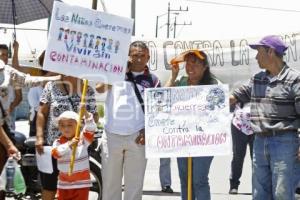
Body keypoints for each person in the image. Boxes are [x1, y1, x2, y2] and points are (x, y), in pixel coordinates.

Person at [230, 35, 300, 199]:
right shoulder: (257, 79)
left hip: (285, 142)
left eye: (259, 52)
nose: (255, 57)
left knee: (282, 193)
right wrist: (203, 104)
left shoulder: (295, 79)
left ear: (270, 52)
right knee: (259, 193)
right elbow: (234, 97)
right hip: (259, 142)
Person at [96, 41, 160, 200]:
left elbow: (158, 108)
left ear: (148, 58)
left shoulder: (153, 80)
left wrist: (147, 130)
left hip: (138, 137)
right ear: (128, 56)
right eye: (135, 55)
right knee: (110, 186)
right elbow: (99, 88)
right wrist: (119, 70)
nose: (139, 59)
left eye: (142, 56)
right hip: (111, 136)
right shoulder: (115, 73)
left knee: (134, 187)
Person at [166, 49, 218, 200]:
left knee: (199, 180)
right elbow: (162, 98)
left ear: (205, 67)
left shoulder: (213, 84)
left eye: (195, 63)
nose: (190, 67)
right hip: (182, 139)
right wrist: (173, 75)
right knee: (185, 180)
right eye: (187, 63)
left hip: (204, 140)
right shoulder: (181, 82)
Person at [36, 74, 98, 200]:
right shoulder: (51, 86)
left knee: (76, 186)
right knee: (49, 186)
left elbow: (95, 116)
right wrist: (39, 136)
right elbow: (42, 112)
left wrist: (86, 119)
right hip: (53, 143)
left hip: (79, 146)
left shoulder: (87, 89)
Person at [51, 109, 97, 200]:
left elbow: (91, 128)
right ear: (59, 127)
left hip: (82, 183)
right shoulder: (58, 142)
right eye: (62, 126)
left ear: (78, 126)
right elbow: (55, 154)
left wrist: (86, 114)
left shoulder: (83, 139)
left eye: (70, 125)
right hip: (64, 184)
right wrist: (69, 144)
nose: (66, 128)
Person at [229, 102, 254, 194]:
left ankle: (257, 187)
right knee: (238, 156)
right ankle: (234, 185)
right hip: (239, 124)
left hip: (257, 124)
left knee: (256, 158)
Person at [0, 44, 23, 130]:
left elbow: (19, 96)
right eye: (2, 55)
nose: (5, 57)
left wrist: (10, 108)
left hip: (8, 121)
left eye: (7, 55)